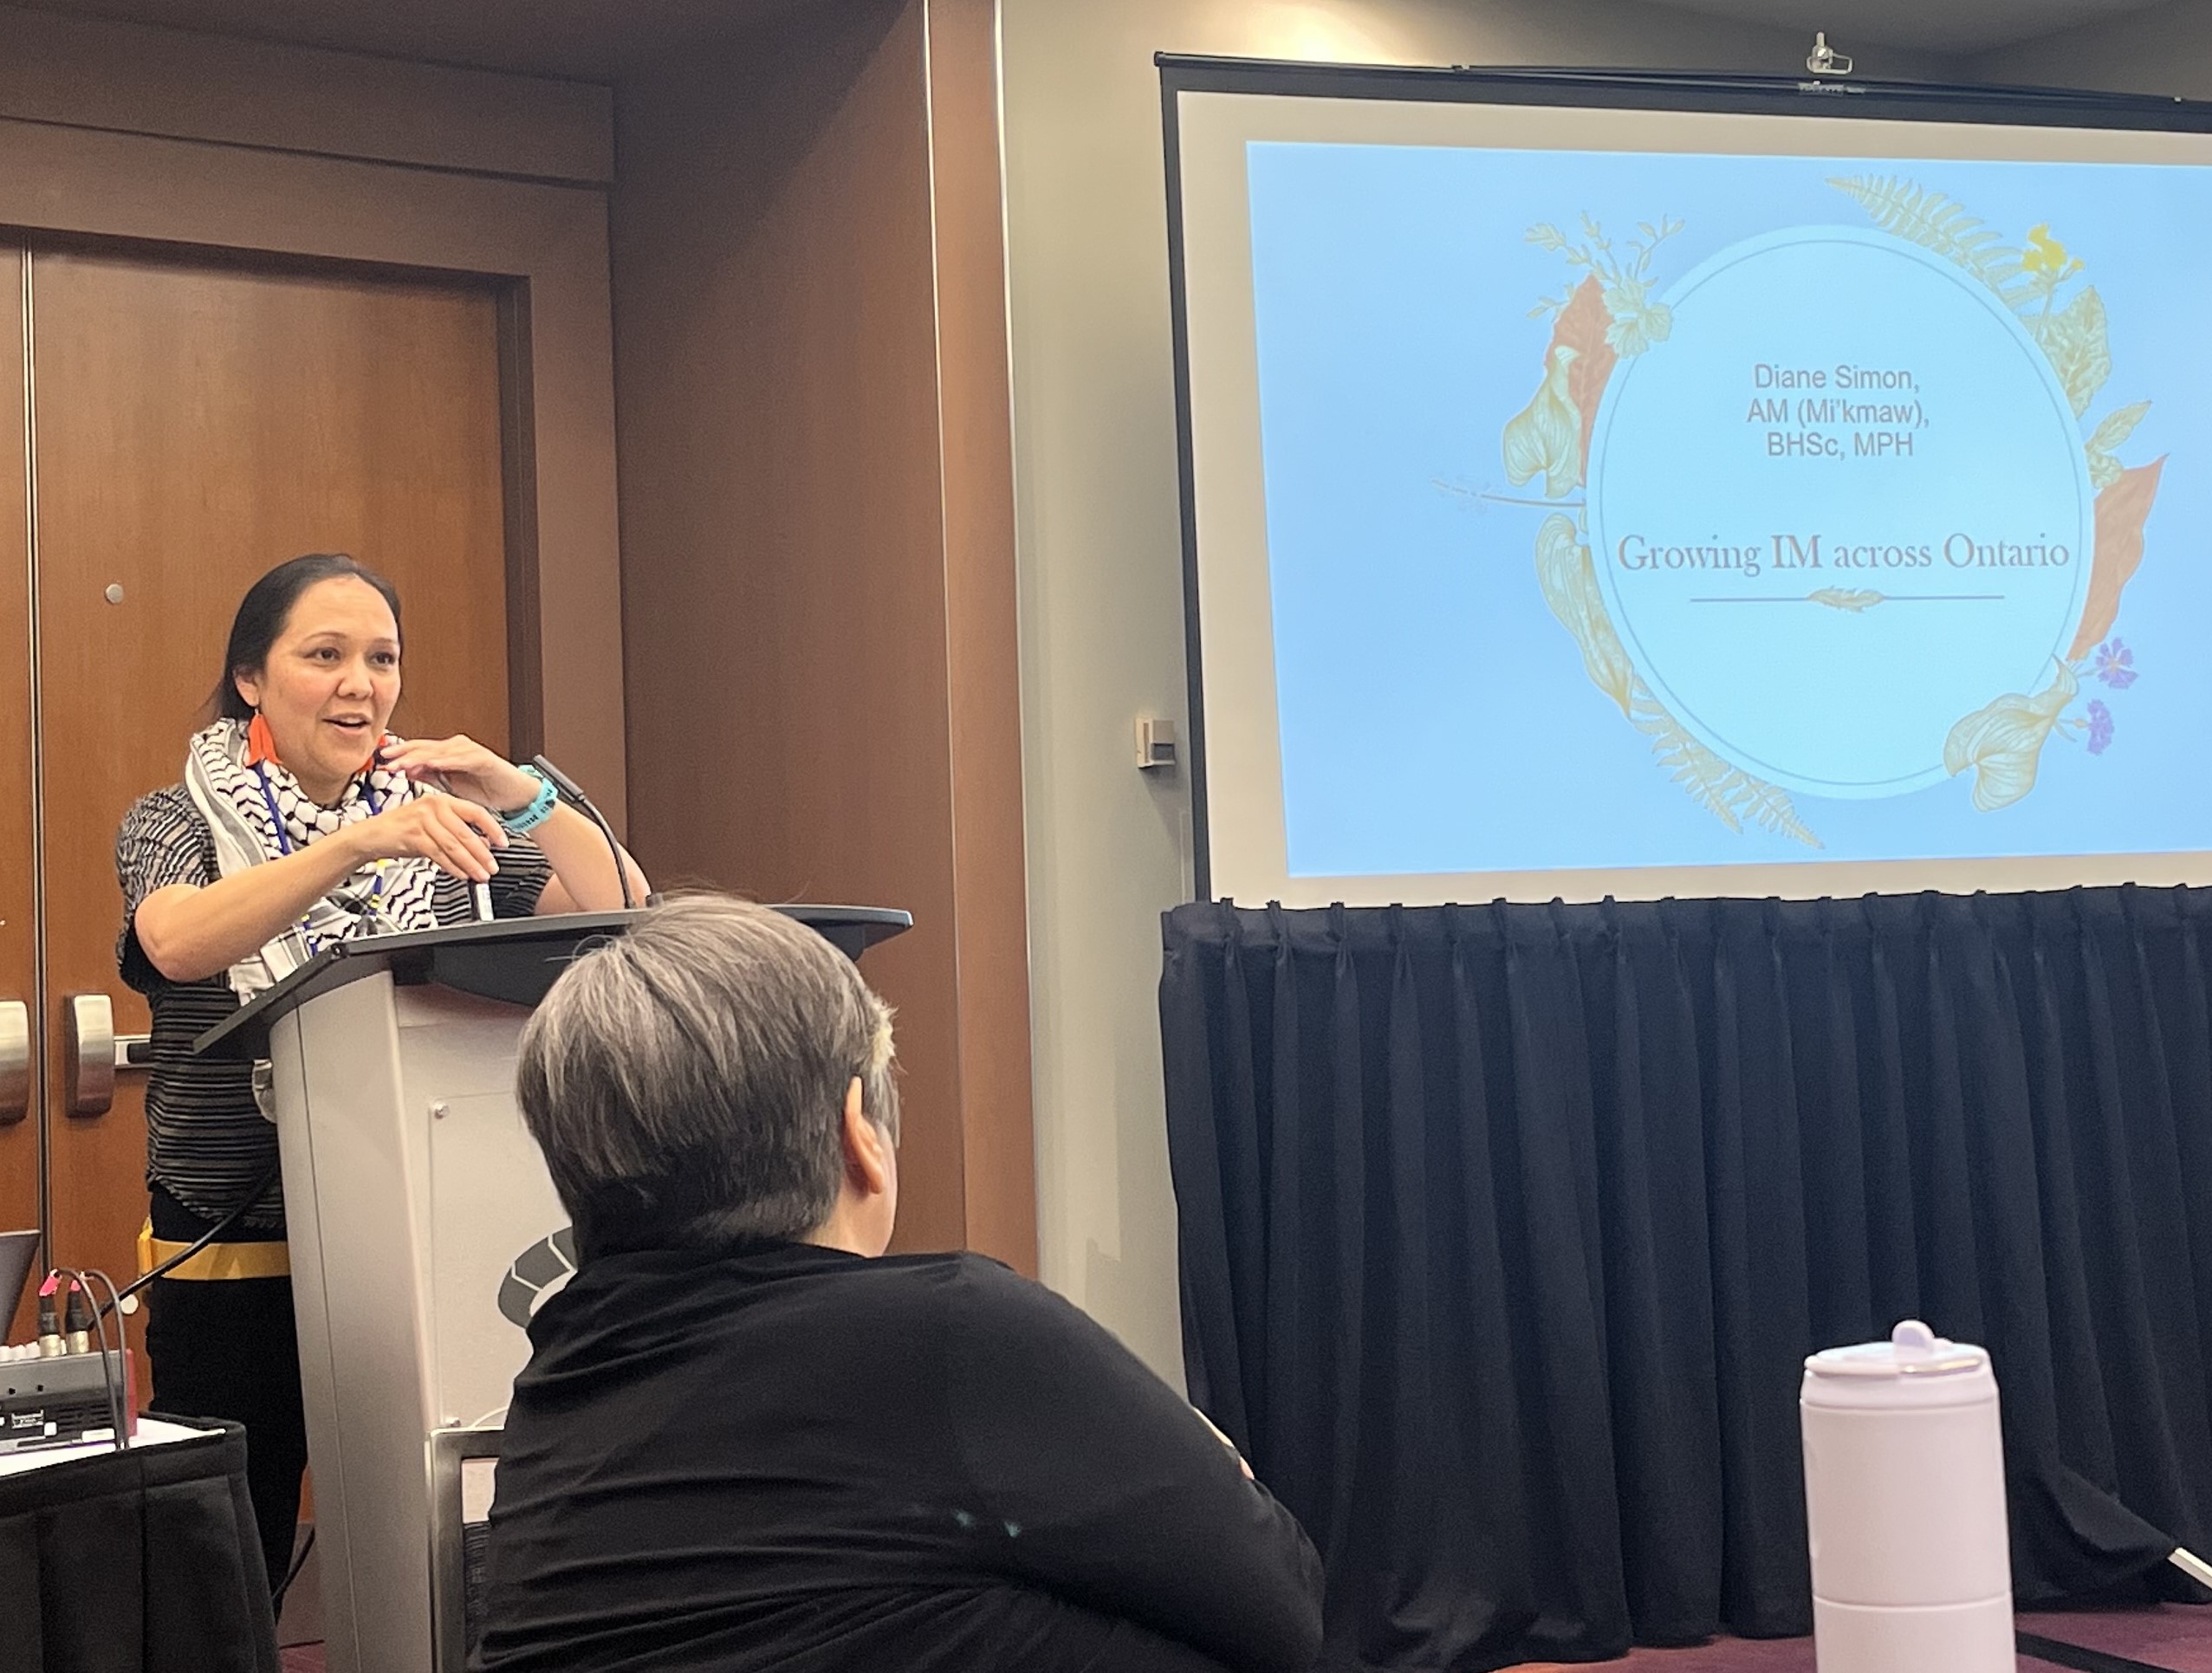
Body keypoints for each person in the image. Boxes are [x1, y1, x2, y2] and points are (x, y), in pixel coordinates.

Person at [472, 896, 1326, 1673]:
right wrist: (1220, 1471)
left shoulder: (553, 1394)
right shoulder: (948, 1331)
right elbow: (1284, 1610)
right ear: (860, 1132)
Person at [120, 553, 643, 1582]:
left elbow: (628, 908)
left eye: (383, 657)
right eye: (326, 655)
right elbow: (179, 941)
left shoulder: (440, 822)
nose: (362, 683)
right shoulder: (173, 818)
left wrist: (519, 792)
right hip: (239, 1247)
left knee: (431, 1560)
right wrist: (356, 844)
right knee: (227, 1565)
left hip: (421, 1238)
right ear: (251, 679)